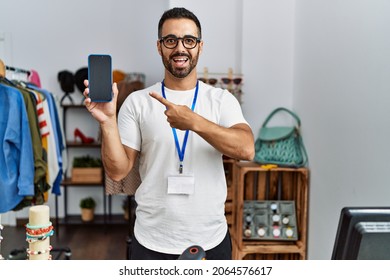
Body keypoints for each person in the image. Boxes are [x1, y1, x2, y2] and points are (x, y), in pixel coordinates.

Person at [83, 7, 254, 260]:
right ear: (159, 46)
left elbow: (246, 149)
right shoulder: (137, 102)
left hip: (211, 242)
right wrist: (108, 121)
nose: (180, 48)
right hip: (151, 242)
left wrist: (194, 121)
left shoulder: (221, 100)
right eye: (171, 40)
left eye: (189, 40)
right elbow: (118, 171)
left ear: (200, 46)